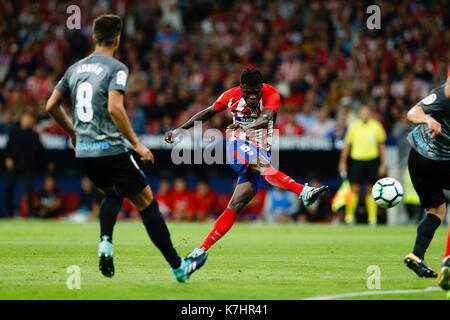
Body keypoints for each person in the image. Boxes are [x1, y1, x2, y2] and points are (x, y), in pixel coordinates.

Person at [45, 14, 206, 282]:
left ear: (94, 37)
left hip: (85, 153)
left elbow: (51, 105)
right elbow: (114, 107)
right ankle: (179, 267)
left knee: (113, 193)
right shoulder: (116, 68)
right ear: (117, 40)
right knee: (147, 204)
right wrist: (136, 143)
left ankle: (106, 242)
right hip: (111, 150)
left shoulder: (74, 69)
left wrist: (74, 133)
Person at [165, 68, 329, 258]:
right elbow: (208, 112)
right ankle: (304, 191)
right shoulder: (230, 95)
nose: (252, 96)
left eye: (256, 92)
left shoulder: (271, 93)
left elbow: (267, 118)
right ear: (241, 87)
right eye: (248, 92)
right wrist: (180, 130)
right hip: (238, 144)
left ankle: (200, 250)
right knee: (263, 165)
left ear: (261, 87)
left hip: (261, 148)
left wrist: (246, 125)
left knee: (236, 204)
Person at [402, 69, 450, 291]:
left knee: (436, 211)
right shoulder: (441, 96)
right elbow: (412, 113)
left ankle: (416, 255)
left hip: (419, 159)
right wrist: (428, 119)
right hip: (433, 160)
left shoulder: (443, 93)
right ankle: (447, 260)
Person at [338, 105, 387, 226]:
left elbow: (382, 146)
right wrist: (342, 162)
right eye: (362, 112)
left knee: (371, 190)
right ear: (359, 114)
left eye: (367, 112)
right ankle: (349, 217)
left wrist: (382, 164)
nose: (364, 115)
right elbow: (347, 146)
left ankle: (372, 219)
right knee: (354, 189)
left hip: (372, 160)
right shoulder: (353, 127)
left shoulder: (376, 126)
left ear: (370, 114)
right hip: (356, 161)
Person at [4, 111, 46, 218]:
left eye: (29, 120)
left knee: (30, 191)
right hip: (14, 165)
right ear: (21, 121)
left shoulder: (34, 134)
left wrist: (45, 162)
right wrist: (8, 158)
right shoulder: (14, 133)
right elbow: (7, 148)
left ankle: (31, 213)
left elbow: (40, 152)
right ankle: (10, 213)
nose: (27, 122)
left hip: (28, 166)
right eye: (25, 120)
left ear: (32, 122)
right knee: (8, 189)